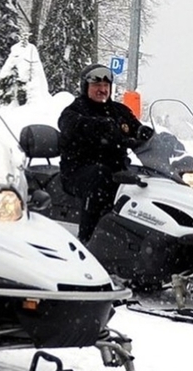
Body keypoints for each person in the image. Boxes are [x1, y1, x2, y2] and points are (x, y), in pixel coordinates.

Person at [58, 63, 152, 244]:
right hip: (78, 171)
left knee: (145, 181)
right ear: (86, 87)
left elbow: (135, 128)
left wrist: (145, 133)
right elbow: (69, 125)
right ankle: (87, 239)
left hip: (116, 170)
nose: (102, 90)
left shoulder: (119, 111)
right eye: (96, 85)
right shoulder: (74, 111)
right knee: (99, 175)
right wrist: (99, 128)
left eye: (105, 86)